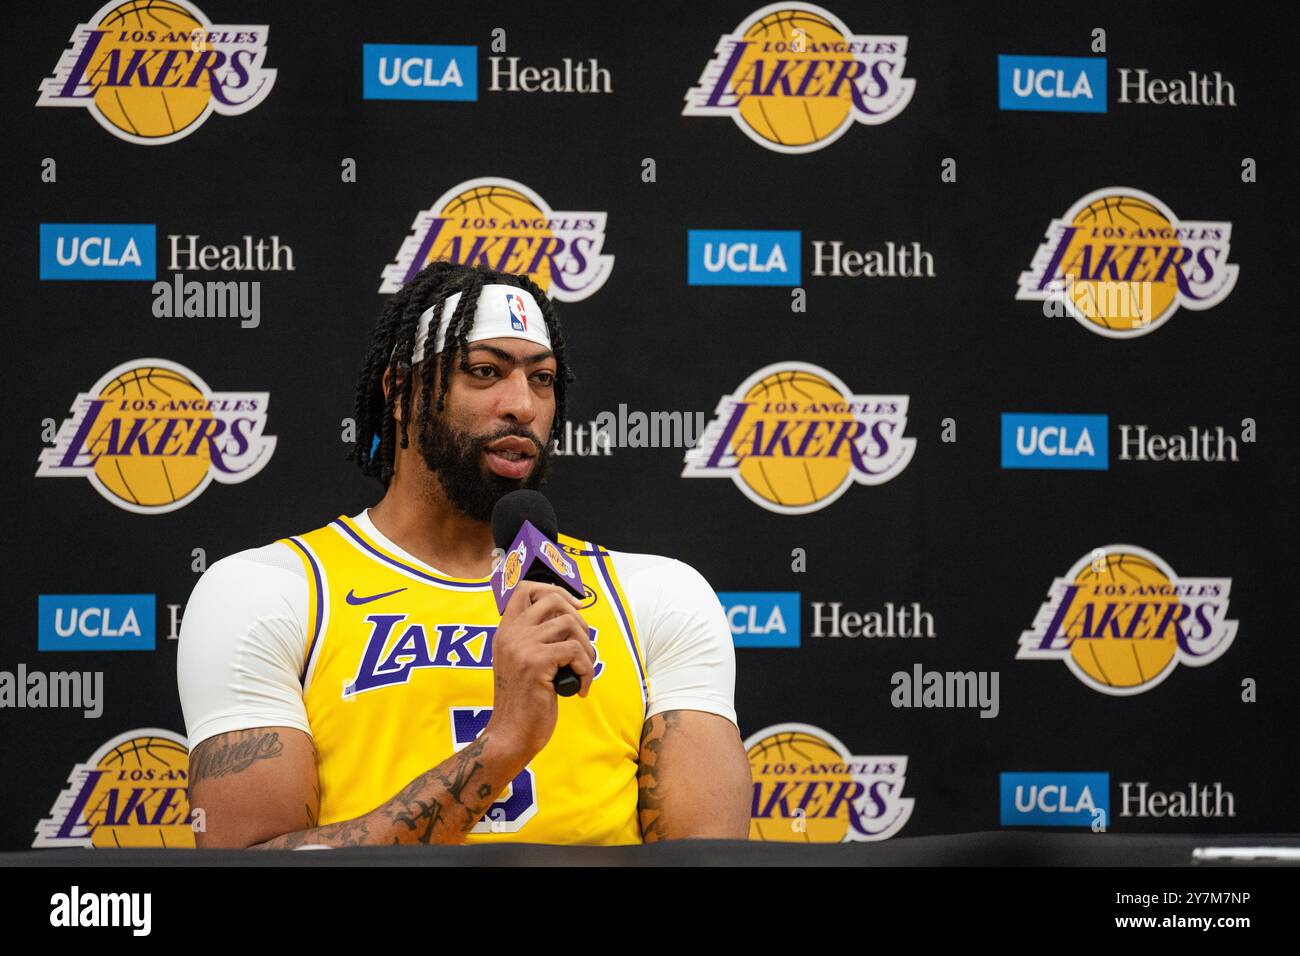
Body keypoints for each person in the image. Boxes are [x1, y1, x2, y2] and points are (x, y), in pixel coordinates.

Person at [177, 260, 751, 847]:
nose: (522, 405)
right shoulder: (268, 590)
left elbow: (705, 861)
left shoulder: (658, 595)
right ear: (401, 391)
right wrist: (502, 747)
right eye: (485, 371)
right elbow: (247, 861)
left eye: (543, 379)